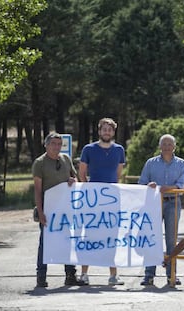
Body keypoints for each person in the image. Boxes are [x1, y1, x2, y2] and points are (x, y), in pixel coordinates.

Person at [78, 117, 126, 286]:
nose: (107, 132)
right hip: (92, 200)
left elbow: (117, 174)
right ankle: (84, 274)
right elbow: (82, 173)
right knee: (90, 235)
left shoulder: (119, 150)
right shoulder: (88, 149)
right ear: (99, 131)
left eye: (110, 130)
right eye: (104, 129)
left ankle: (113, 275)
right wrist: (91, 191)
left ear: (113, 132)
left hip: (112, 200)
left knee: (111, 236)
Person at [33, 132, 85, 287]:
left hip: (67, 209)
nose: (56, 147)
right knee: (45, 243)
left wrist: (72, 180)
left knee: (68, 242)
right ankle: (41, 277)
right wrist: (40, 212)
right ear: (46, 145)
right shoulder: (39, 163)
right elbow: (37, 189)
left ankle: (70, 275)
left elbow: (75, 179)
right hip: (49, 210)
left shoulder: (66, 159)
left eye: (58, 144)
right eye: (53, 144)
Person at [138, 134, 184, 286]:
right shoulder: (151, 163)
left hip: (173, 203)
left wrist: (168, 188)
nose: (167, 147)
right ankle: (148, 275)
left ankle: (171, 274)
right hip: (154, 204)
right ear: (160, 146)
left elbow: (182, 184)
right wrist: (150, 186)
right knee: (152, 238)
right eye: (164, 144)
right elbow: (142, 182)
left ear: (174, 146)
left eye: (169, 144)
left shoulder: (181, 163)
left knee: (172, 240)